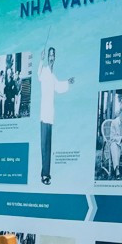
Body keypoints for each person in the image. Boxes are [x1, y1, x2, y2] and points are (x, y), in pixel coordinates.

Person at [36, 47, 74, 185]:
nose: (51, 57)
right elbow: (38, 75)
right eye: (50, 55)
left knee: (48, 146)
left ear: (55, 58)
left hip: (50, 114)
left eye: (53, 55)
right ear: (47, 57)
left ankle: (46, 173)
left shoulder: (52, 75)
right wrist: (40, 59)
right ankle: (44, 175)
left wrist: (68, 82)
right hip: (44, 113)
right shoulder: (45, 71)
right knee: (44, 145)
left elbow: (58, 87)